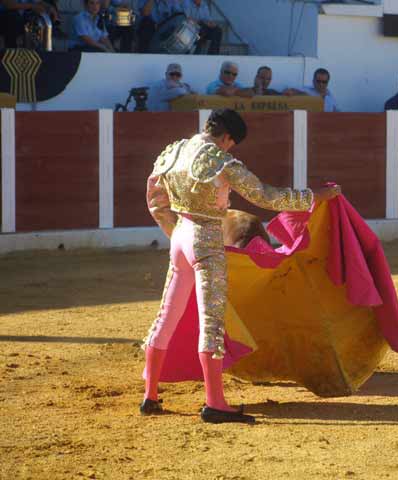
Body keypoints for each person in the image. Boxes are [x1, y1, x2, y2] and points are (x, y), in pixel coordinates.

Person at [142, 109, 341, 423]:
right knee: (211, 322)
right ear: (227, 138)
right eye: (230, 145)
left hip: (180, 234)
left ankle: (150, 395)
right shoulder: (221, 161)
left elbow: (154, 198)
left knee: (166, 316)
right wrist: (314, 196)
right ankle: (215, 402)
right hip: (205, 238)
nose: (228, 149)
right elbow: (267, 197)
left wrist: (174, 231)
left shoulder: (173, 151)